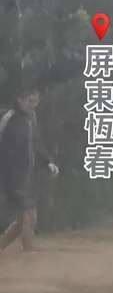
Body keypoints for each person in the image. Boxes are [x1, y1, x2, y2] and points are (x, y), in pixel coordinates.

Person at [0, 90, 58, 253]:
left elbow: (36, 145)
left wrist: (48, 163)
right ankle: (29, 255)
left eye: (36, 102)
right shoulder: (9, 118)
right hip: (12, 176)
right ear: (20, 100)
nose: (33, 105)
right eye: (30, 101)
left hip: (27, 176)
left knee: (21, 221)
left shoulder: (30, 120)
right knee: (30, 216)